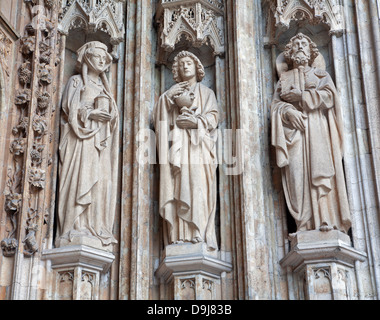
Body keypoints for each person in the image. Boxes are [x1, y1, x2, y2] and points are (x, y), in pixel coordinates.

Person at [271, 33, 351, 234]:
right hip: (294, 136)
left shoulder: (321, 75)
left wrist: (303, 96)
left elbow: (330, 98)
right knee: (297, 178)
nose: (299, 46)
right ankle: (304, 224)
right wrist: (287, 111)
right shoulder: (284, 78)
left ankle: (326, 218)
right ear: (289, 53)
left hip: (317, 130)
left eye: (303, 44)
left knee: (321, 174)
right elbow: (275, 106)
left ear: (310, 51)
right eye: (295, 44)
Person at [154, 51, 219, 250]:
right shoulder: (172, 95)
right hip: (179, 149)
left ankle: (198, 231)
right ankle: (180, 234)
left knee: (197, 185)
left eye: (189, 62)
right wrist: (167, 98)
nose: (185, 67)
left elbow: (214, 117)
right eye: (181, 64)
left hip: (198, 148)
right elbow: (159, 120)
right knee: (179, 185)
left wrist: (196, 121)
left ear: (198, 67)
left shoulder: (206, 93)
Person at [56, 41, 119, 247]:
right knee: (80, 179)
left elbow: (114, 118)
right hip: (80, 140)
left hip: (99, 144)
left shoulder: (105, 88)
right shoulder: (76, 82)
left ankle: (94, 225)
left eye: (105, 57)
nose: (102, 60)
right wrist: (90, 112)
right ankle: (75, 226)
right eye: (97, 55)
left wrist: (109, 116)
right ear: (87, 58)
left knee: (99, 184)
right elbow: (69, 109)